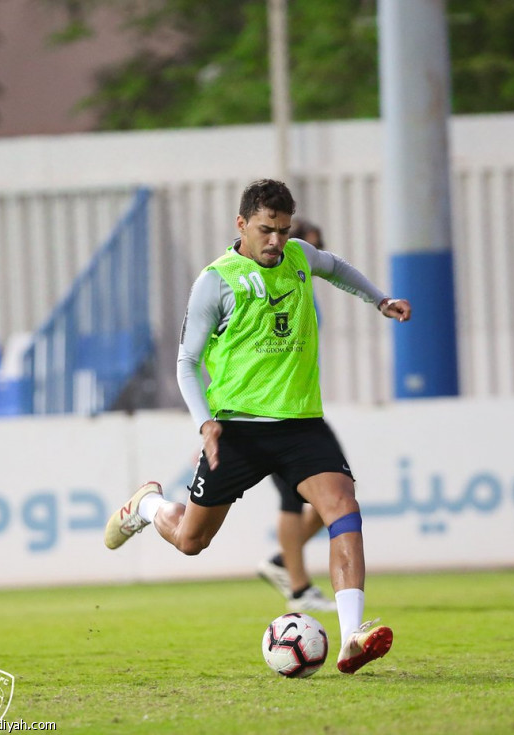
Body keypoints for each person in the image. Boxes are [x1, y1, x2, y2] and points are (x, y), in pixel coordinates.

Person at [104, 178, 412, 673]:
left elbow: (335, 267)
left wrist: (378, 299)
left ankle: (353, 632)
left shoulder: (298, 257)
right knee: (191, 541)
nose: (276, 242)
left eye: (284, 231)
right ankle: (148, 503)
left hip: (300, 424)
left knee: (343, 508)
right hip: (236, 431)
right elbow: (186, 363)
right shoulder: (215, 281)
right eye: (267, 230)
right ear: (242, 225)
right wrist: (204, 424)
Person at [257, 216, 336, 613]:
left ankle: (280, 563)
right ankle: (299, 588)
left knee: (335, 496)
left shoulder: (304, 290)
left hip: (302, 409)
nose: (315, 254)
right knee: (294, 498)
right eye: (310, 245)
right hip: (269, 412)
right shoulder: (269, 287)